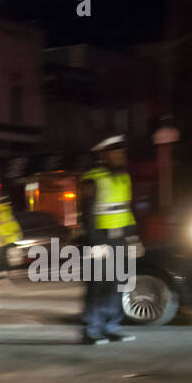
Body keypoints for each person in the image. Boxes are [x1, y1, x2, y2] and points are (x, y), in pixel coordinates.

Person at [79, 134, 140, 344]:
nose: (121, 156)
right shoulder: (92, 179)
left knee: (118, 285)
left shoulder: (124, 178)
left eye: (123, 152)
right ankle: (92, 330)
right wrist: (96, 242)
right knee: (98, 285)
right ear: (104, 155)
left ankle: (111, 327)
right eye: (116, 153)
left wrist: (133, 237)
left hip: (120, 239)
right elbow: (87, 214)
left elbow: (127, 210)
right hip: (100, 240)